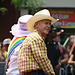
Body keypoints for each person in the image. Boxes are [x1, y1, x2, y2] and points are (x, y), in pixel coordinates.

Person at [17, 9, 59, 75]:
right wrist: (51, 73)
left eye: (49, 24)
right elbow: (42, 59)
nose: (48, 26)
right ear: (37, 24)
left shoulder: (34, 37)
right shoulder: (36, 38)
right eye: (46, 23)